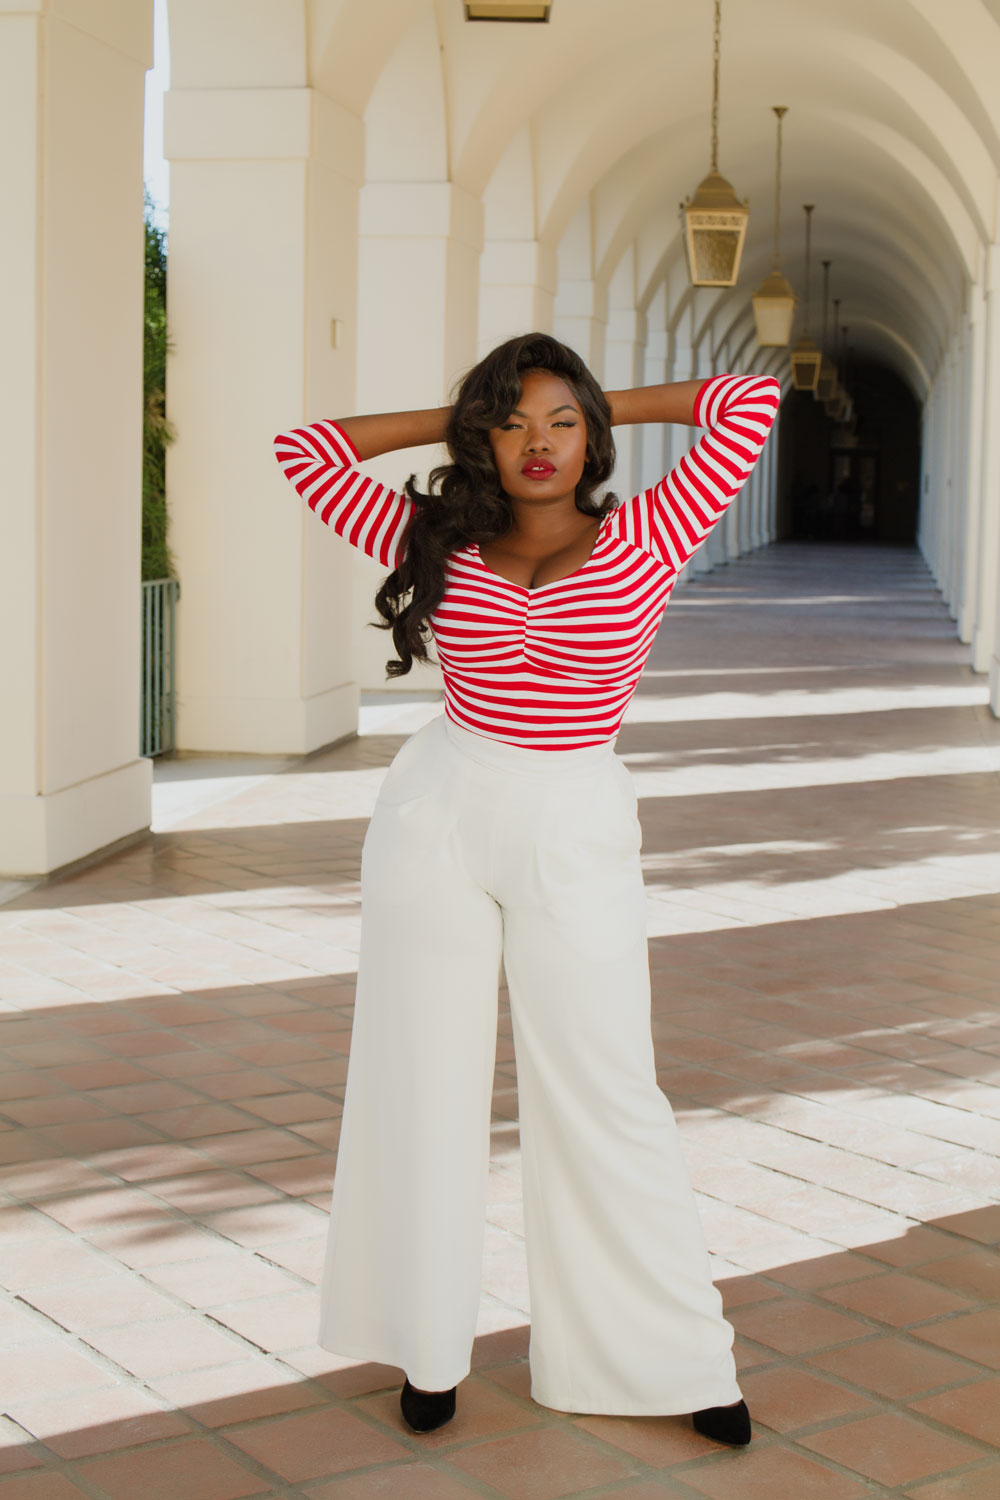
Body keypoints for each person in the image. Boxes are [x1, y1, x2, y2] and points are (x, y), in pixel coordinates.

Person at [274, 333, 780, 1445]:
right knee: (420, 1074)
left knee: (607, 1086)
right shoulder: (436, 540)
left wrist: (588, 397)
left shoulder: (652, 528)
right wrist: (463, 412)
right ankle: (424, 1348)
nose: (537, 444)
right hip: (438, 815)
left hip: (572, 818)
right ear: (482, 440)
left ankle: (667, 1361)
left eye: (559, 423)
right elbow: (305, 451)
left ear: (591, 435)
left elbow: (746, 401)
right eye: (510, 425)